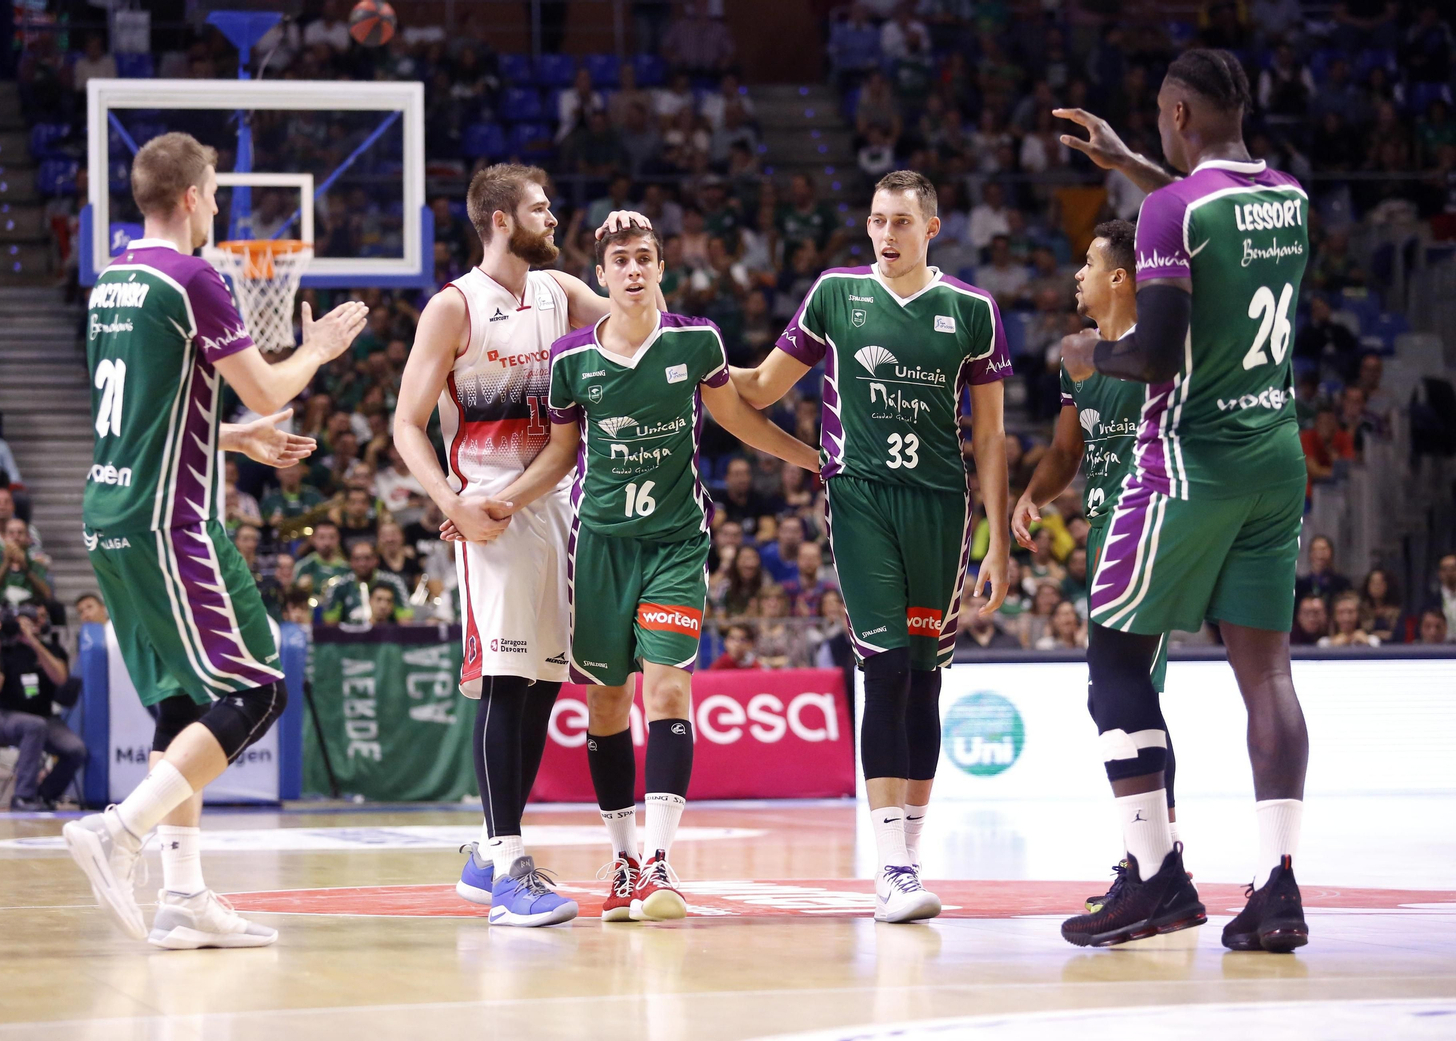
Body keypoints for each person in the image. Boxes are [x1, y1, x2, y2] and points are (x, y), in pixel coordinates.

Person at [61, 131, 367, 950]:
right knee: (258, 689)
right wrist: (316, 350)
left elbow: (142, 415)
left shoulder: (112, 280)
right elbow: (266, 388)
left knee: (183, 703)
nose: (221, 206)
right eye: (218, 192)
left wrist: (227, 439)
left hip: (111, 513)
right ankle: (119, 830)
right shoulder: (193, 277)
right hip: (169, 521)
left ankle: (183, 897)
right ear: (193, 196)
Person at [474, 224, 819, 924]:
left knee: (666, 690)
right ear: (601, 276)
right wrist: (502, 500)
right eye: (619, 261)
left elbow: (739, 419)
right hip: (600, 548)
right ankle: (625, 858)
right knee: (607, 705)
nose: (632, 270)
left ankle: (660, 862)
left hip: (675, 543)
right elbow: (561, 454)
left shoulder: (697, 342)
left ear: (662, 269)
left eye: (643, 259)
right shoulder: (572, 358)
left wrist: (815, 460)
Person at [1056, 49, 1312, 952]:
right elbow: (1206, 216)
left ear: (1176, 113)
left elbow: (1155, 353)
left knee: (1114, 661)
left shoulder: (1171, 211)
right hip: (1276, 456)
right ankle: (1279, 886)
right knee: (1268, 676)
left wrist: (1091, 355)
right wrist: (1128, 162)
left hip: (1190, 462)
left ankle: (1156, 873)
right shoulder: (1289, 196)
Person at [732, 169, 1013, 925]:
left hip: (942, 508)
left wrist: (997, 542)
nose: (887, 234)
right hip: (859, 497)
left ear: (932, 229)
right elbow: (761, 387)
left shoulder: (972, 310)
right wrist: (693, 355)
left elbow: (990, 438)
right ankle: (889, 865)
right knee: (884, 668)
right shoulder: (835, 294)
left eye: (901, 222)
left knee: (925, 679)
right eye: (878, 220)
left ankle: (909, 859)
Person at [391, 162, 653, 928]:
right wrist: (451, 502)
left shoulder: (561, 291)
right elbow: (406, 423)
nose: (554, 217)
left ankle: (485, 852)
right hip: (488, 513)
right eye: (541, 208)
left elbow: (647, 324)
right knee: (507, 681)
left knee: (541, 684)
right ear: (501, 220)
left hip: (551, 504)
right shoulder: (453, 306)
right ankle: (510, 867)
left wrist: (630, 249)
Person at [1012, 220, 1183, 900]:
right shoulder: (1077, 357)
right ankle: (1156, 856)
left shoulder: (1161, 349)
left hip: (1154, 527)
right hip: (1104, 533)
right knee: (1131, 696)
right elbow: (1065, 451)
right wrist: (1033, 495)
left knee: (1119, 692)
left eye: (1088, 263)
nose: (1076, 274)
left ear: (1120, 276)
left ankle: (1154, 863)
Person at [0, 606, 84, 811]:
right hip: (5, 718)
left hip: (44, 717)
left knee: (76, 750)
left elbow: (60, 678)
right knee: (34, 725)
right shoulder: (5, 652)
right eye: (23, 622)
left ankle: (45, 795)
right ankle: (23, 797)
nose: (28, 625)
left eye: (34, 621)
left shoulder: (52, 650)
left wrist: (34, 643)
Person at [319, 540, 409, 626]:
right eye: (357, 559)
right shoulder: (338, 587)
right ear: (350, 562)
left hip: (387, 635)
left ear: (376, 560)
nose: (362, 563)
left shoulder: (394, 583)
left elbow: (406, 624)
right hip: (349, 635)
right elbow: (330, 628)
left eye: (367, 558)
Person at [293, 520, 349, 597]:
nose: (327, 543)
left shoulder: (347, 569)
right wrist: (300, 589)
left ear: (338, 538)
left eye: (332, 537)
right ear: (313, 538)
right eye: (321, 537)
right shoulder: (303, 566)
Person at [1296, 535, 1352, 601]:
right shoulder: (1301, 585)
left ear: (1331, 552)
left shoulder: (1342, 583)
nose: (1319, 554)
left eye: (1323, 549)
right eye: (1314, 550)